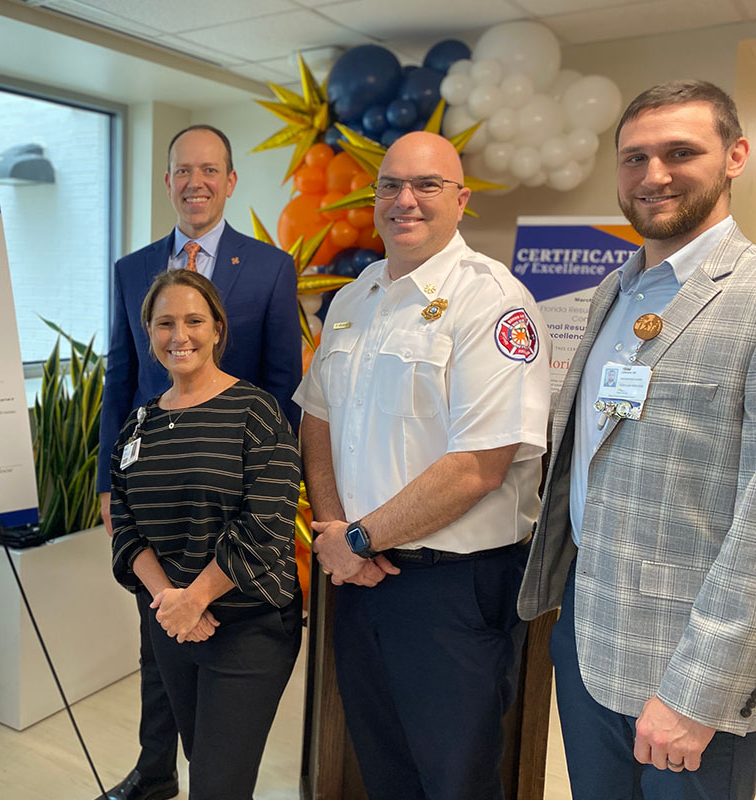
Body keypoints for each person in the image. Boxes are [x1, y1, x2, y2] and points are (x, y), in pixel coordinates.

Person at [518, 80, 756, 799]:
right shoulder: (612, 293)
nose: (653, 176)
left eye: (680, 152)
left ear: (736, 156)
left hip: (689, 669)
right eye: (634, 158)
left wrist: (699, 689)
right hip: (587, 634)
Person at [296, 131, 550, 799]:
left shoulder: (493, 302)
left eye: (427, 185)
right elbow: (318, 417)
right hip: (359, 581)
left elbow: (479, 466)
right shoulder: (353, 300)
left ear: (461, 199)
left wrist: (356, 538)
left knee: (455, 780)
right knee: (383, 768)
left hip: (452, 590)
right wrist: (334, 529)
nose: (405, 200)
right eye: (390, 185)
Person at [96, 124, 300, 800]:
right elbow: (120, 382)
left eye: (210, 170)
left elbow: (280, 386)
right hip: (155, 506)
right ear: (167, 181)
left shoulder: (269, 268)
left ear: (231, 181)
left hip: (233, 500)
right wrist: (107, 489)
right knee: (160, 654)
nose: (196, 182)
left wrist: (268, 491)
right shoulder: (132, 270)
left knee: (220, 746)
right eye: (183, 170)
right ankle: (155, 775)